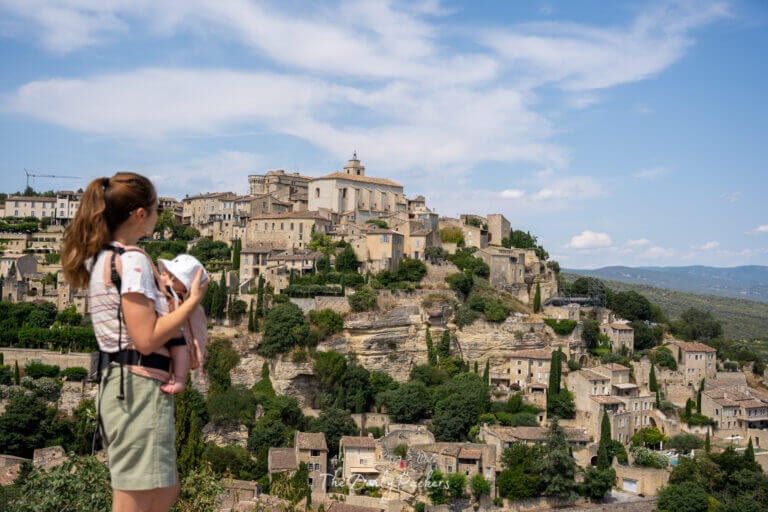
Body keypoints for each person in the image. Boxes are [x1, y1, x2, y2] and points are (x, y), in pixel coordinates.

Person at [62, 172, 207, 512]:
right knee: (135, 501)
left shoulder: (104, 258)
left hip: (126, 387)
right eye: (157, 209)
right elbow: (145, 338)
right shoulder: (134, 260)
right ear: (140, 215)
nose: (160, 216)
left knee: (164, 490)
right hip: (138, 389)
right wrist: (191, 302)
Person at [157, 254, 209, 394]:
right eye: (163, 273)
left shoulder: (181, 302)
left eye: (168, 274)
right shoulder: (166, 295)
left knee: (180, 350)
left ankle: (178, 380)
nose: (163, 277)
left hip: (174, 348)